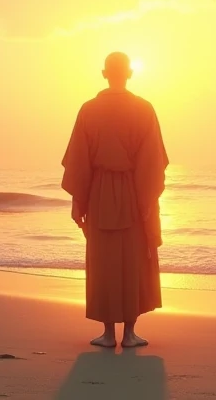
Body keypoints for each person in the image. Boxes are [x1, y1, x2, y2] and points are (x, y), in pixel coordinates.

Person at [60, 52, 169, 348]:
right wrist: (148, 199)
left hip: (98, 192)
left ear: (104, 73)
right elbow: (153, 161)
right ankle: (130, 334)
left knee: (103, 261)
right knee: (133, 261)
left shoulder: (89, 110)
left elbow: (79, 160)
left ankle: (108, 335)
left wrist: (78, 200)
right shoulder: (144, 109)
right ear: (130, 72)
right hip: (135, 192)